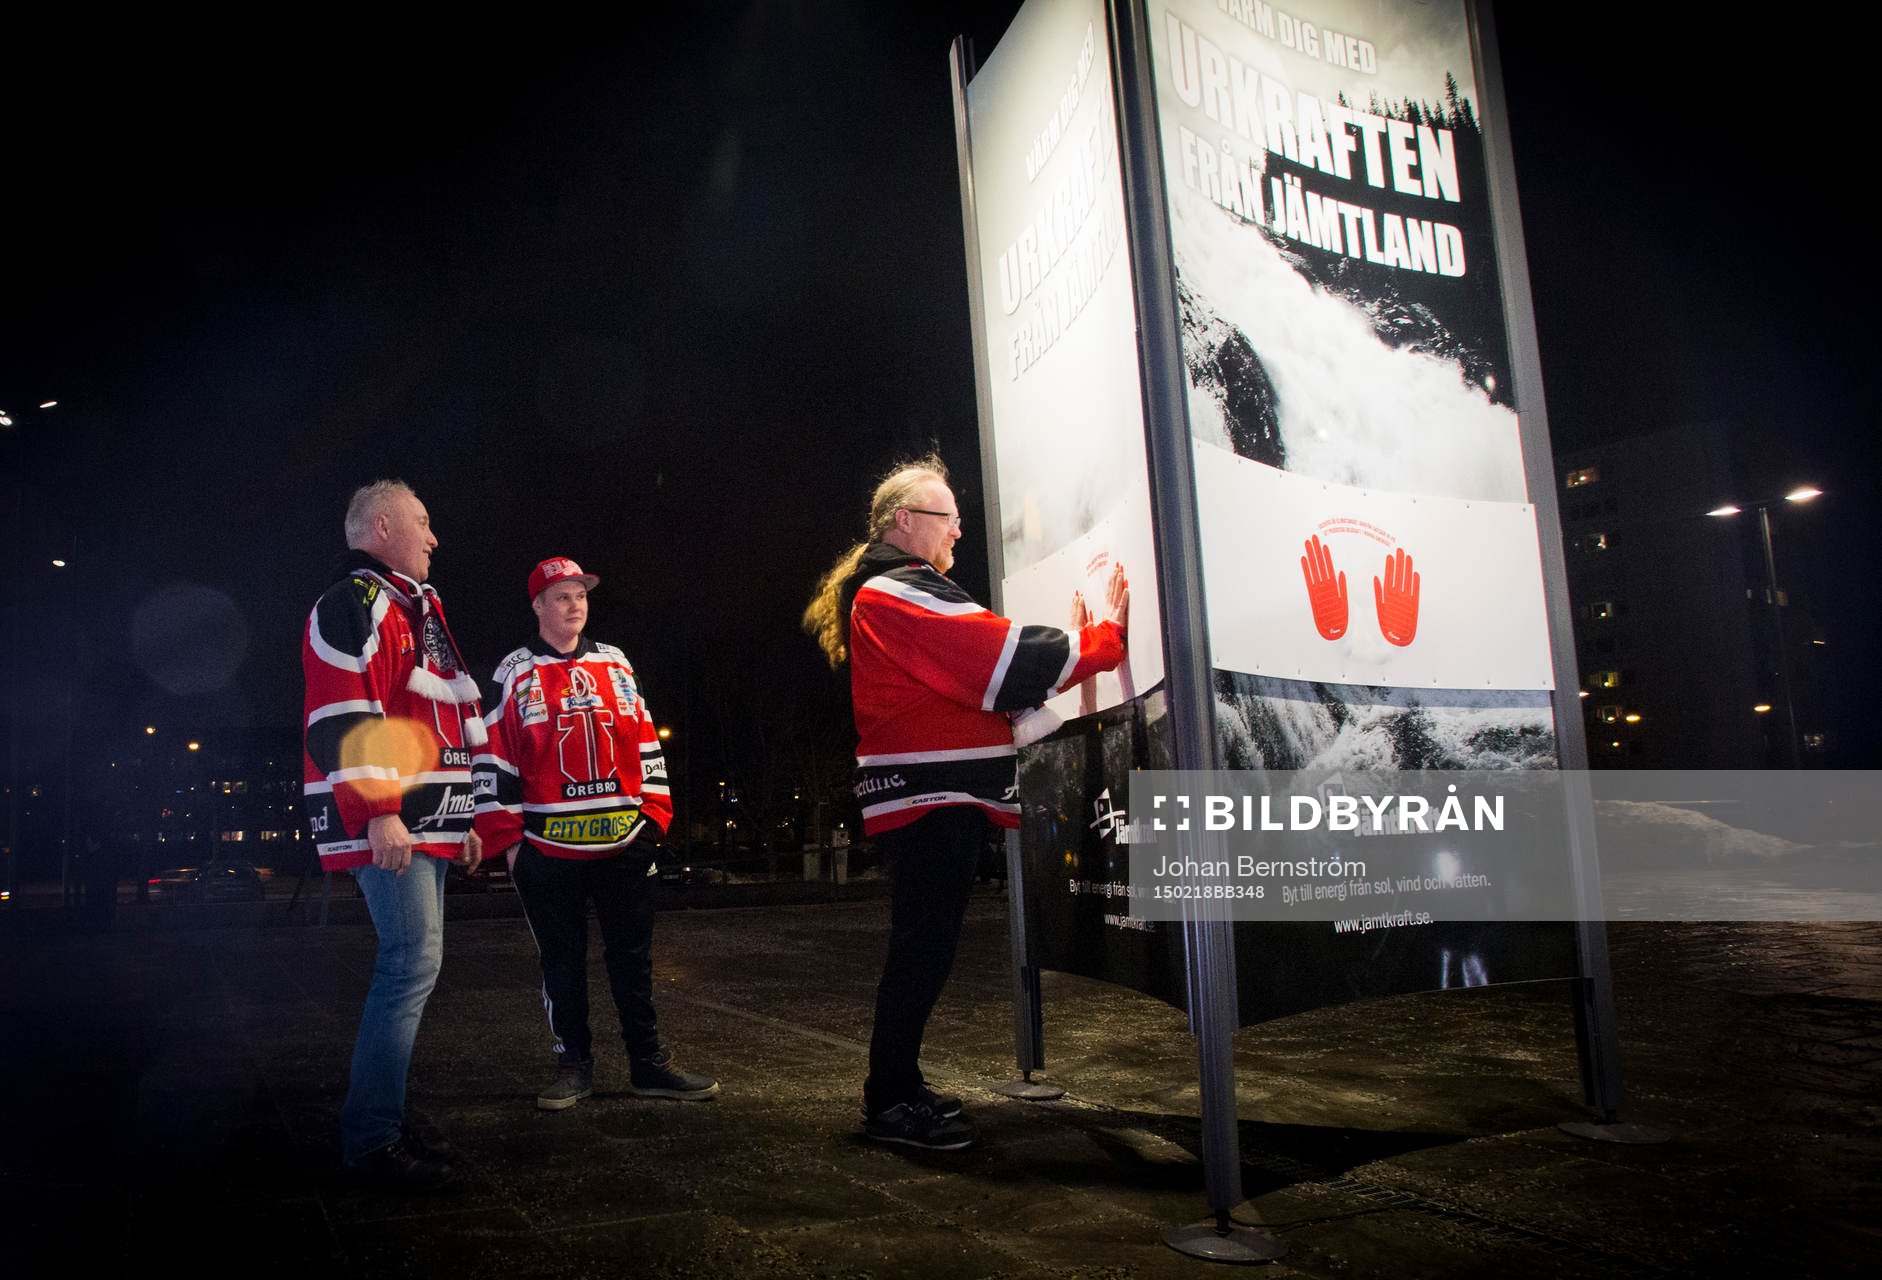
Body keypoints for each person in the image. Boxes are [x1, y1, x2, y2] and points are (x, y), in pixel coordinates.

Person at [803, 455, 1129, 1150]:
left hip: (928, 798)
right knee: (923, 949)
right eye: (948, 519)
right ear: (905, 522)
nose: (957, 533)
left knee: (924, 947)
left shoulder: (890, 589)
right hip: (932, 799)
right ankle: (888, 1100)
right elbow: (995, 655)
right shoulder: (899, 587)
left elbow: (982, 687)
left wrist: (1053, 668)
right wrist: (1100, 642)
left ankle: (897, 1084)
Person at [473, 557, 718, 1111]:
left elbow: (644, 741)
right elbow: (495, 756)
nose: (575, 604)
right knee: (561, 960)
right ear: (537, 606)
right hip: (548, 849)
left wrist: (653, 822)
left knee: (633, 958)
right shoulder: (514, 671)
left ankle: (648, 1065)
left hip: (623, 844)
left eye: (581, 594)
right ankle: (573, 1064)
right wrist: (510, 843)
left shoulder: (617, 663)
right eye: (561, 596)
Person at [302, 479, 485, 1190]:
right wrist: (380, 807)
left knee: (415, 966)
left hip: (420, 819)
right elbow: (341, 710)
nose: (434, 538)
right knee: (410, 964)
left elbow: (438, 723)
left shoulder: (414, 609)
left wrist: (461, 814)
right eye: (423, 522)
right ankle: (372, 1138)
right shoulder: (353, 602)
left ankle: (380, 1125)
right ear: (382, 527)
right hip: (389, 818)